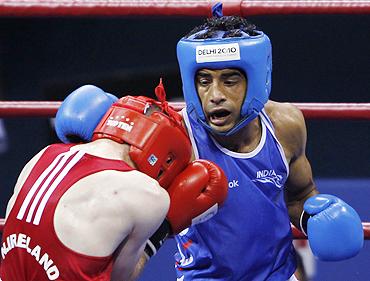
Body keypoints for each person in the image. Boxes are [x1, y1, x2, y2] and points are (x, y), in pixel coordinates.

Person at [173, 3, 364, 281]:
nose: (215, 95)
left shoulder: (285, 124)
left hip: (279, 275)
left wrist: (315, 221)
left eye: (229, 81)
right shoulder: (176, 138)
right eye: (204, 81)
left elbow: (300, 195)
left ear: (255, 80)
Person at [0, 84, 228, 281]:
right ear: (164, 155)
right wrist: (163, 229)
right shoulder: (148, 194)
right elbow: (120, 277)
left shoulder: (45, 155)